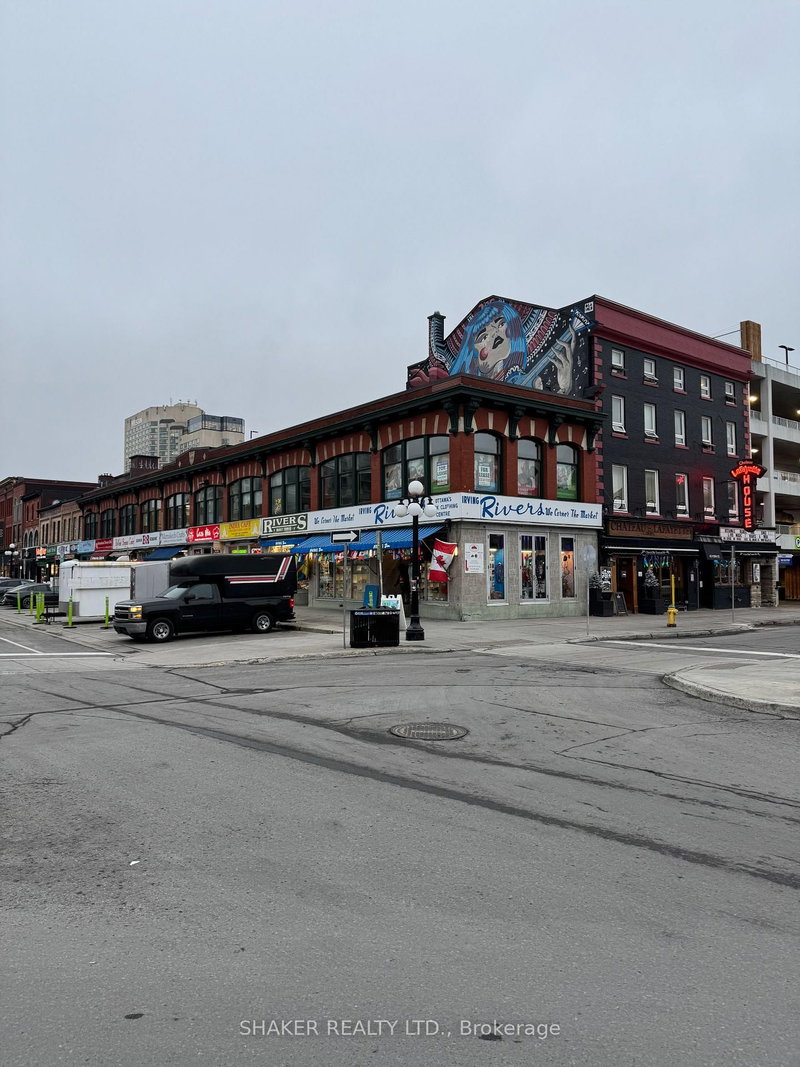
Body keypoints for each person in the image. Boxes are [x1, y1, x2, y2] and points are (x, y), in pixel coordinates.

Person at [449, 300, 529, 383]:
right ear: (473, 355)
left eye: (501, 324)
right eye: (484, 337)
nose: (495, 333)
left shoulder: (518, 377)